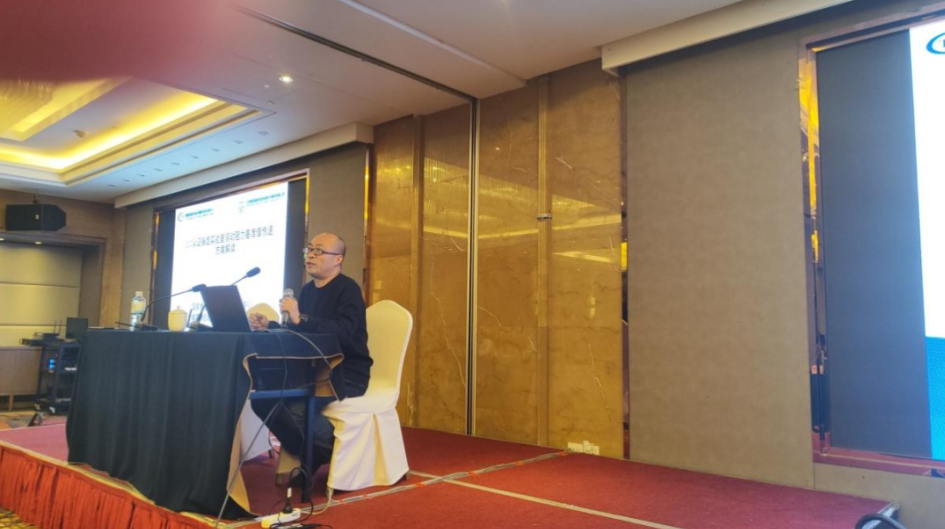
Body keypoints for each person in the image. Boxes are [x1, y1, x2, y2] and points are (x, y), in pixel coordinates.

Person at [248, 232, 371, 477]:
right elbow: (299, 333)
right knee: (262, 399)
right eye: (310, 249)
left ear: (338, 259)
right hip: (310, 371)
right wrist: (270, 325)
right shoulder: (307, 291)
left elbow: (343, 333)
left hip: (344, 372)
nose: (311, 255)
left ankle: (323, 453)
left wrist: (300, 318)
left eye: (319, 251)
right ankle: (321, 451)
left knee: (296, 407)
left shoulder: (348, 289)